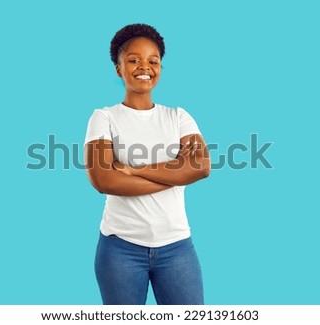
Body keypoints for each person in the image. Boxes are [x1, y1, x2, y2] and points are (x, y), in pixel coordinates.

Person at [83, 23, 210, 305]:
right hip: (120, 249)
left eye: (153, 61)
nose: (145, 67)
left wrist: (133, 169)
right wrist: (175, 171)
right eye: (134, 60)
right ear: (119, 69)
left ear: (161, 67)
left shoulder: (178, 117)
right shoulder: (103, 118)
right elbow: (105, 181)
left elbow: (200, 167)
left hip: (176, 247)